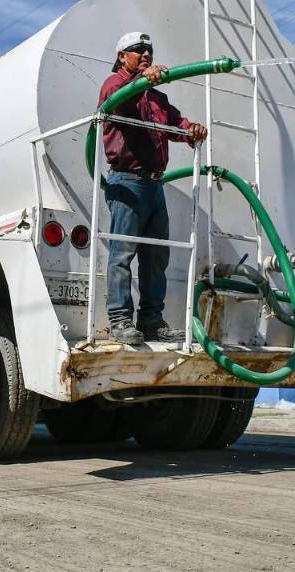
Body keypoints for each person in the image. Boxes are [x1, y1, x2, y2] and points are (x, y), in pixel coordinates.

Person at [98, 31, 208, 344]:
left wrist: (191, 131)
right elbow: (120, 107)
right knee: (123, 254)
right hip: (127, 182)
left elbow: (175, 122)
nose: (146, 54)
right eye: (138, 50)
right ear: (122, 56)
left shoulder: (157, 97)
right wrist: (143, 81)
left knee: (155, 256)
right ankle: (120, 321)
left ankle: (151, 321)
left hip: (154, 185)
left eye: (149, 50)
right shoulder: (115, 85)